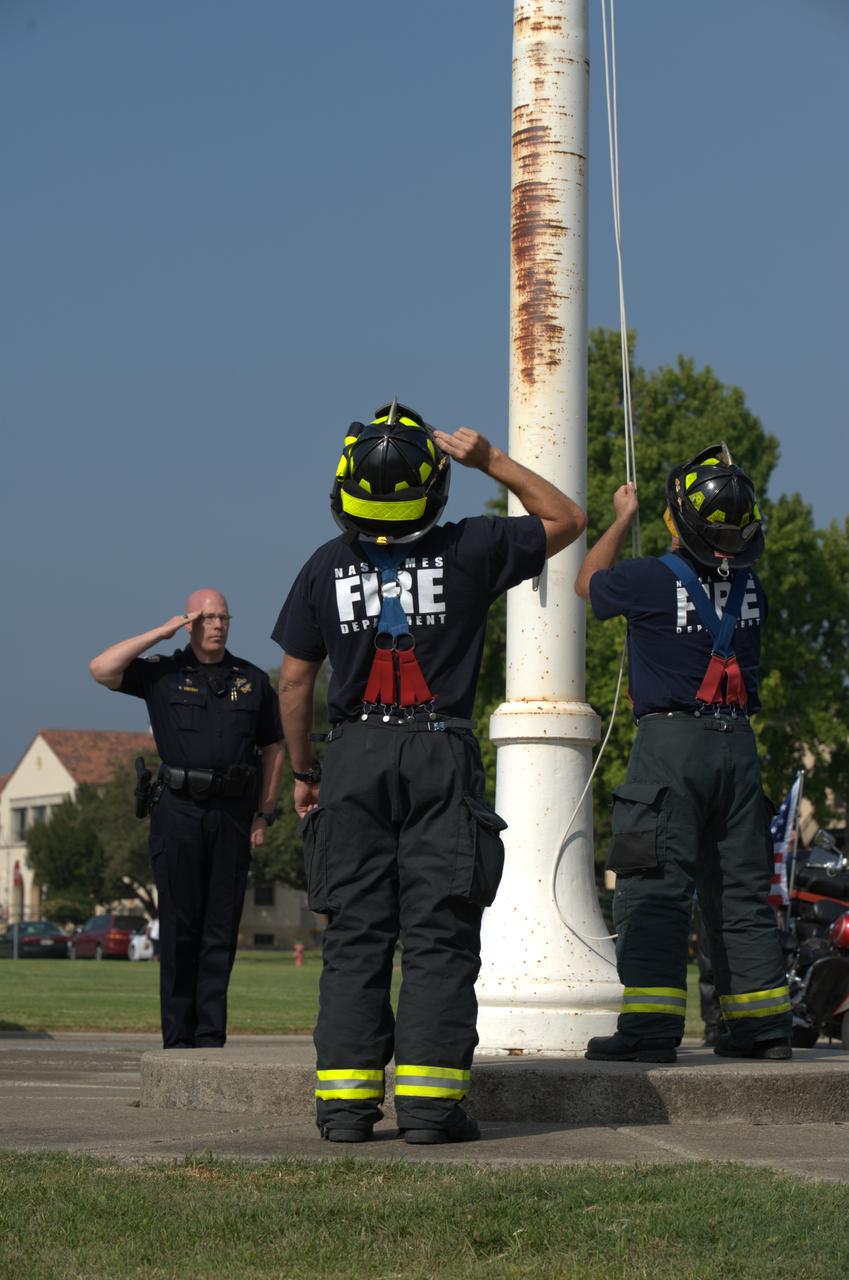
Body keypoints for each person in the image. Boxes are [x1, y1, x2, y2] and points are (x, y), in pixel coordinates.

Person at [272, 400, 586, 1144]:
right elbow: (567, 518)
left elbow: (292, 682)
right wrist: (493, 462)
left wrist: (306, 767)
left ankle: (344, 1111)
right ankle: (429, 1111)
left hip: (352, 756)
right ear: (434, 483)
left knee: (355, 937)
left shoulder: (323, 565)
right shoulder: (471, 548)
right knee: (439, 936)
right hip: (438, 751)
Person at [576, 444, 791, 1063]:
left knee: (654, 886)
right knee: (742, 891)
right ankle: (761, 1027)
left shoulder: (647, 579)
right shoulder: (753, 587)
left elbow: (586, 583)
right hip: (738, 749)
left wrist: (620, 517)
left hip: (671, 746)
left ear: (677, 519)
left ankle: (648, 1031)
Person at [89, 590, 284, 1048]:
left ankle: (210, 1039)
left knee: (220, 930)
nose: (217, 624)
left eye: (223, 617)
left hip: (233, 814)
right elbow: (101, 668)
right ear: (191, 622)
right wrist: (162, 630)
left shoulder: (251, 681)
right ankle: (177, 1043)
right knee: (179, 930)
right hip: (178, 812)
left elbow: (274, 748)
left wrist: (264, 813)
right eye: (207, 617)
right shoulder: (163, 674)